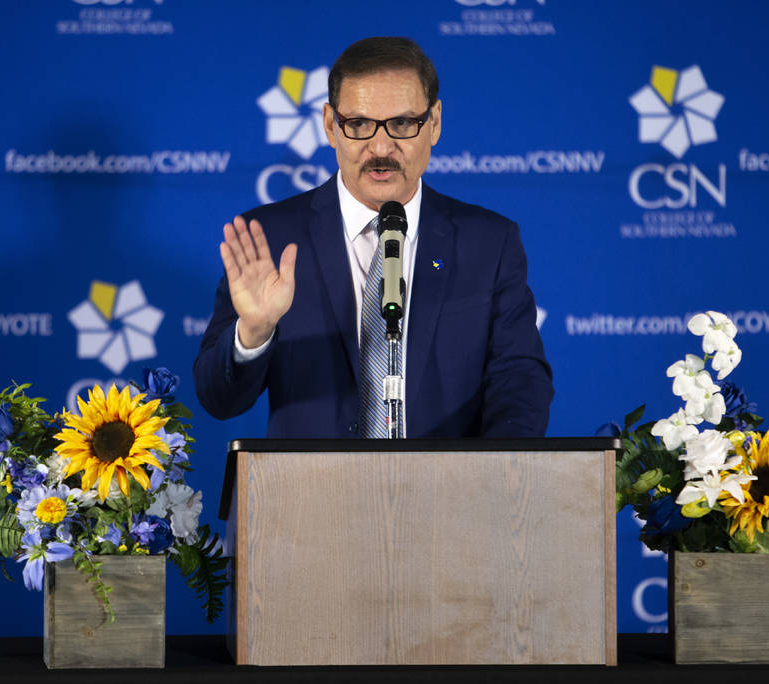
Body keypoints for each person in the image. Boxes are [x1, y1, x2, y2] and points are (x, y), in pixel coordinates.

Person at [194, 36, 552, 438]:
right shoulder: (271, 239)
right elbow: (217, 400)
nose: (381, 147)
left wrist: (490, 480)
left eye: (402, 123)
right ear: (331, 125)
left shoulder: (489, 242)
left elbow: (519, 381)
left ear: (434, 123)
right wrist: (254, 333)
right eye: (359, 125)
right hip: (308, 496)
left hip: (447, 494)